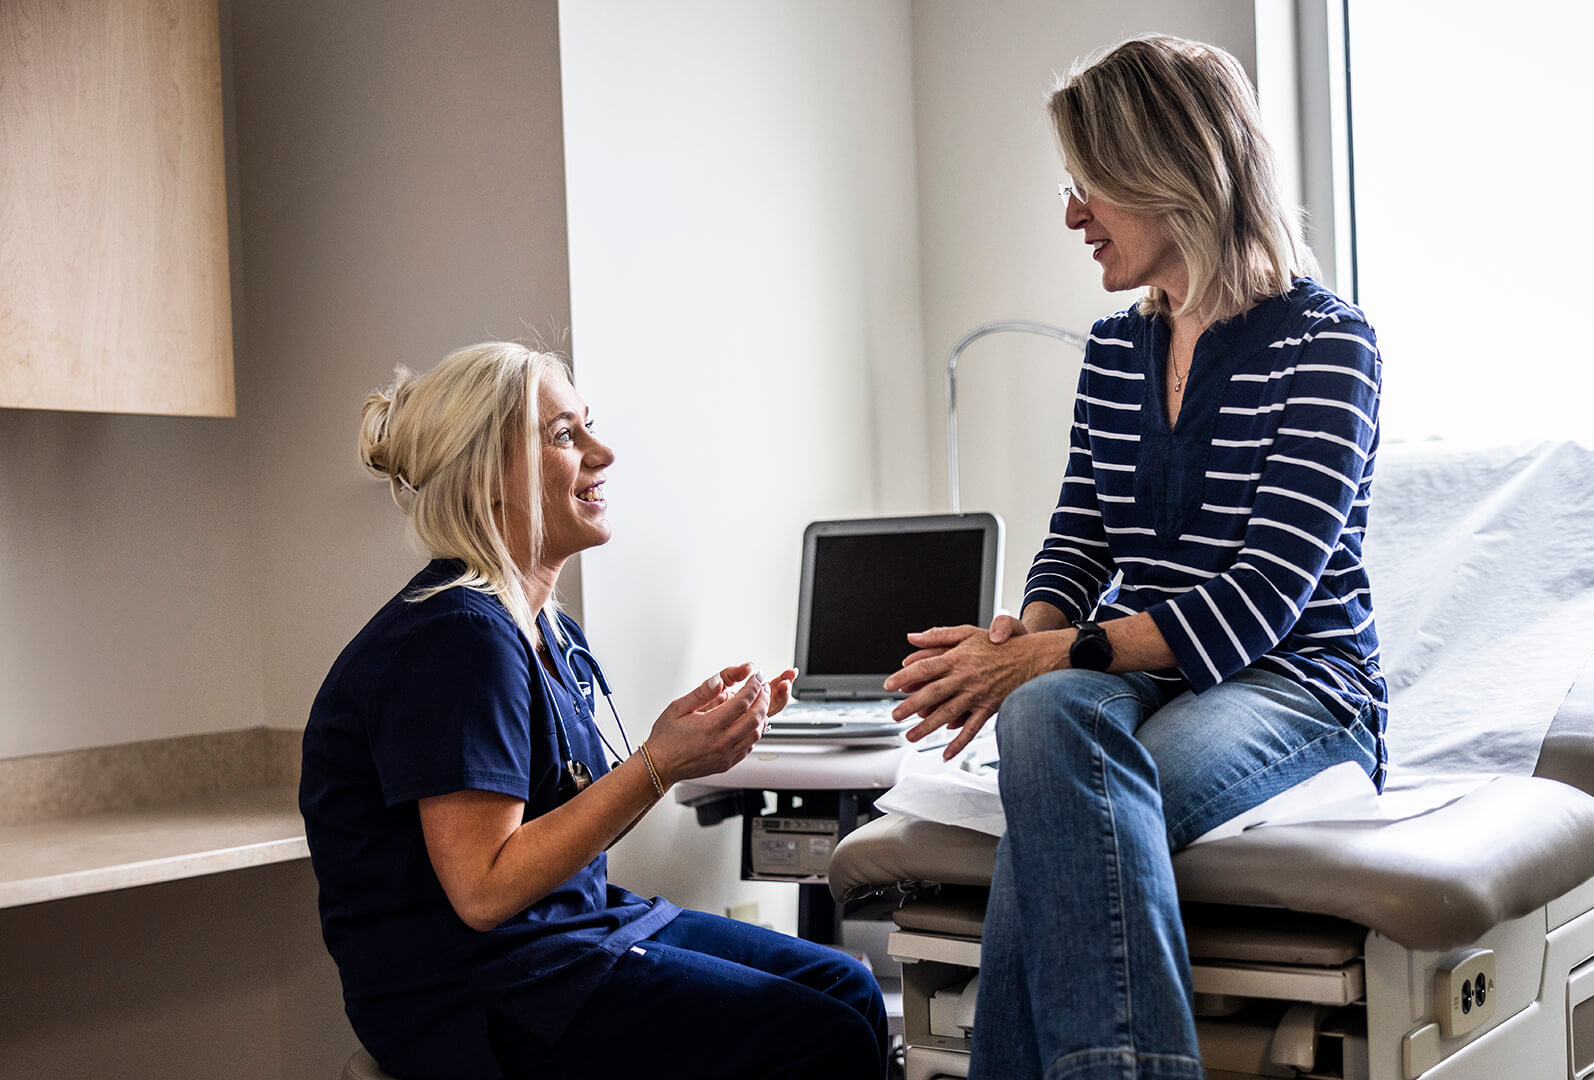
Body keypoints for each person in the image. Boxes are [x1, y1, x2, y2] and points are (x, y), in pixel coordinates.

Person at [883, 36, 1387, 1080]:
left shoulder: (1329, 343)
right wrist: (1017, 634)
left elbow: (1261, 601)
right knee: (1048, 723)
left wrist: (1053, 657)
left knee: (1068, 798)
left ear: (1174, 170)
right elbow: (1079, 537)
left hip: (1298, 687)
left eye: (1089, 184)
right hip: (1146, 674)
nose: (1072, 214)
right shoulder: (1116, 350)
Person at [300, 342, 887, 1079]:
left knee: (850, 988)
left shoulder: (549, 631)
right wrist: (663, 762)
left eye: (588, 426)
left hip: (570, 934)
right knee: (822, 1035)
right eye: (564, 435)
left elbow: (570, 809)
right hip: (477, 991)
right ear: (487, 476)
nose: (602, 453)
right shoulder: (455, 638)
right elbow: (484, 891)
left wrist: (689, 742)